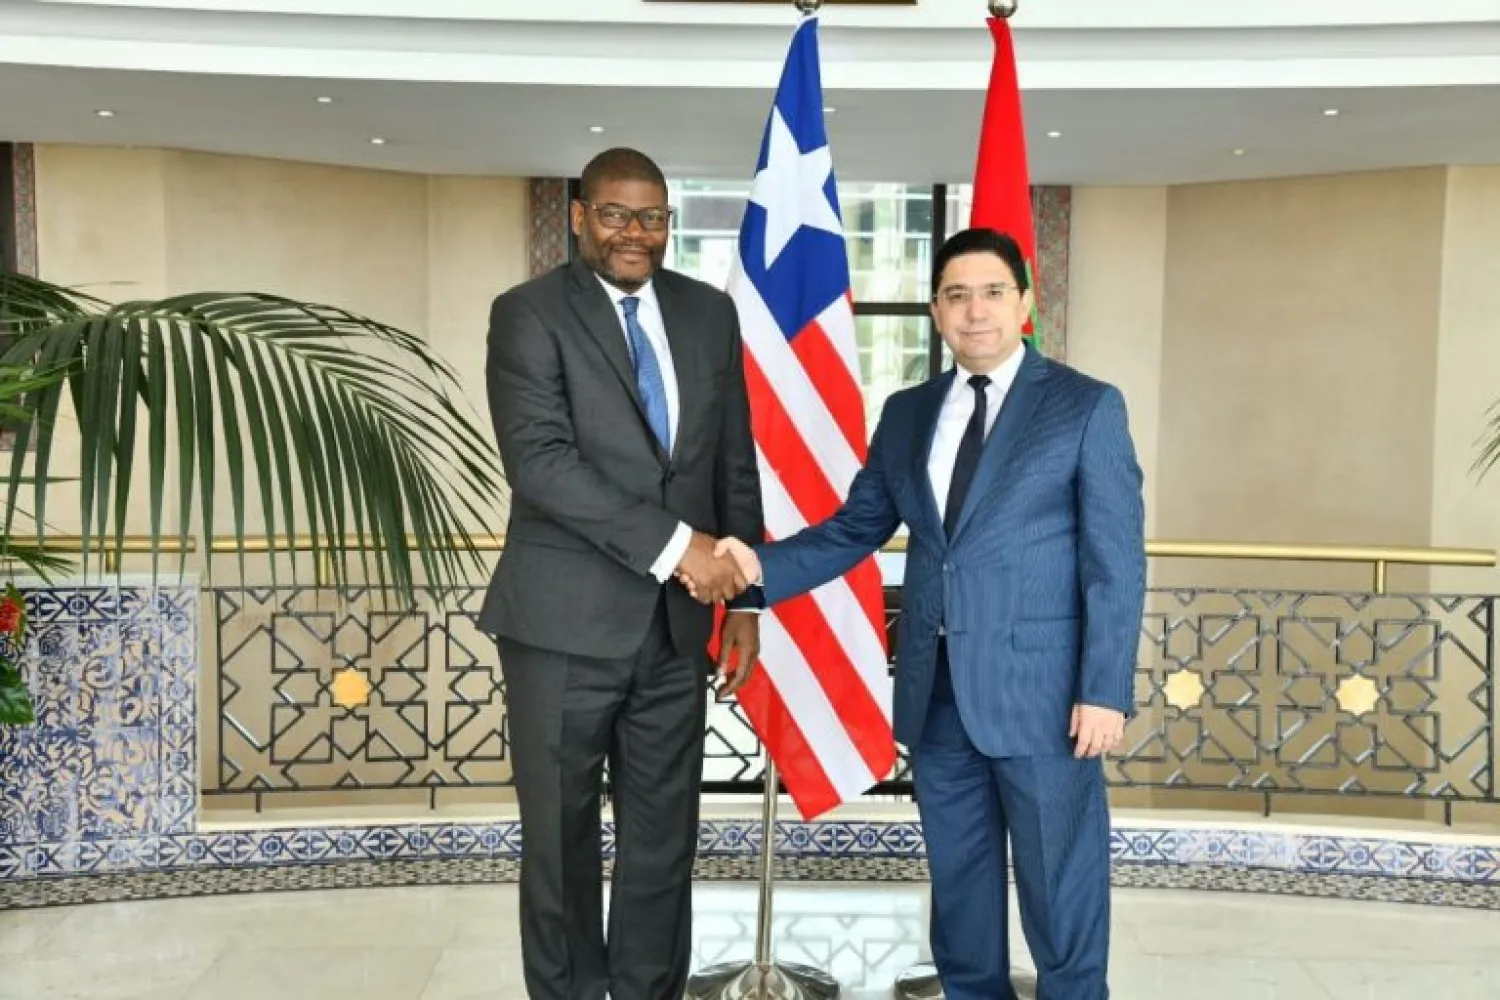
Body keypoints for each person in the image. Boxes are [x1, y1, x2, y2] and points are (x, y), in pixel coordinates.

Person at [706, 228, 1145, 1000]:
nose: (975, 311)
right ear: (937, 313)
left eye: (992, 292)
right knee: (961, 901)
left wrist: (1104, 690)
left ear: (1024, 303)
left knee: (1062, 904)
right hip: (938, 700)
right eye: (956, 295)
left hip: (1048, 705)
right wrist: (755, 571)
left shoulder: (1085, 407)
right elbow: (856, 528)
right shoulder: (909, 413)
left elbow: (1115, 566)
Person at [477, 147, 763, 1000]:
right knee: (560, 847)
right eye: (614, 215)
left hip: (677, 634)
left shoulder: (709, 315)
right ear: (578, 217)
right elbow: (543, 466)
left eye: (652, 217)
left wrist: (742, 600)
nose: (634, 234)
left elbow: (730, 465)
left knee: (662, 843)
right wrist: (685, 551)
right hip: (561, 629)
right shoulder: (529, 314)